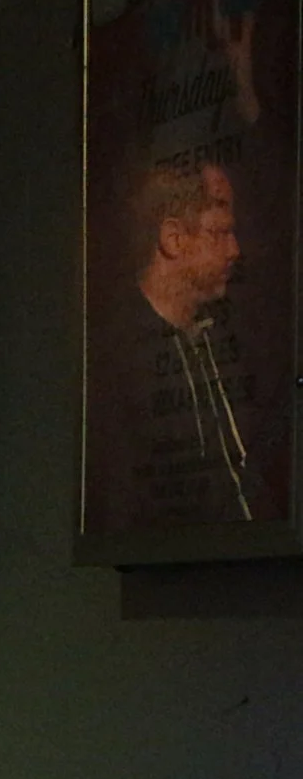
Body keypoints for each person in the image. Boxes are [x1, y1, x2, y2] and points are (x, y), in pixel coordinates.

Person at [84, 160, 260, 530]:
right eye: (220, 233)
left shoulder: (214, 337)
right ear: (174, 239)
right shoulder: (115, 355)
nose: (235, 250)